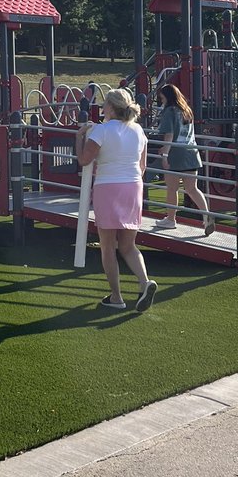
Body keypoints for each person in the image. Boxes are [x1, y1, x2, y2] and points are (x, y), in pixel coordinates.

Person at [75, 87, 156, 313]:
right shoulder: (138, 130)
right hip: (133, 187)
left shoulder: (101, 130)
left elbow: (84, 160)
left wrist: (79, 137)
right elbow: (142, 166)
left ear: (110, 107)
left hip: (108, 186)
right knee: (128, 245)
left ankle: (116, 297)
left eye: (104, 105)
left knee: (108, 246)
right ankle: (144, 282)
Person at [153, 84, 214, 236]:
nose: (161, 100)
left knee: (172, 189)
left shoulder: (169, 111)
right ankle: (207, 215)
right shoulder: (186, 110)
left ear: (167, 96)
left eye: (162, 97)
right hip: (191, 152)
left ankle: (171, 219)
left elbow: (169, 135)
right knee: (192, 189)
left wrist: (165, 155)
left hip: (176, 154)